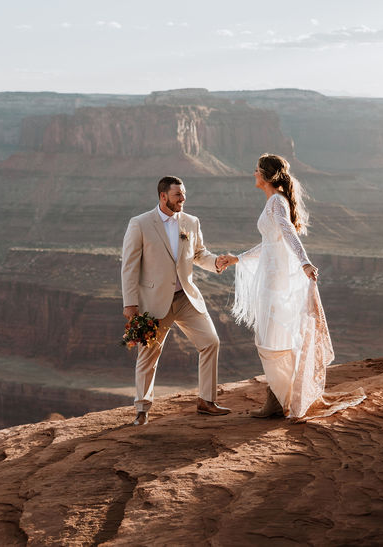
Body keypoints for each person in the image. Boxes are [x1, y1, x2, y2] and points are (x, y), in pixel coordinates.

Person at [218, 154, 365, 420]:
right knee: (273, 338)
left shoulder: (276, 201)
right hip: (272, 277)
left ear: (267, 176)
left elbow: (288, 233)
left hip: (276, 282)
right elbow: (270, 244)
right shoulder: (275, 201)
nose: (253, 174)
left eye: (256, 170)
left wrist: (305, 264)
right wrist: (237, 258)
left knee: (272, 339)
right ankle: (277, 399)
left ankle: (278, 401)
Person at [121, 176, 231, 426]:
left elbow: (199, 254)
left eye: (183, 194)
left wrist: (215, 262)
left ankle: (206, 401)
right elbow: (129, 266)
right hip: (154, 301)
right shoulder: (140, 224)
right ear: (163, 196)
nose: (183, 198)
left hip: (185, 298)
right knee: (148, 354)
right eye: (177, 195)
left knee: (210, 342)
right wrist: (131, 304)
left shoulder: (191, 222)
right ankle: (142, 409)